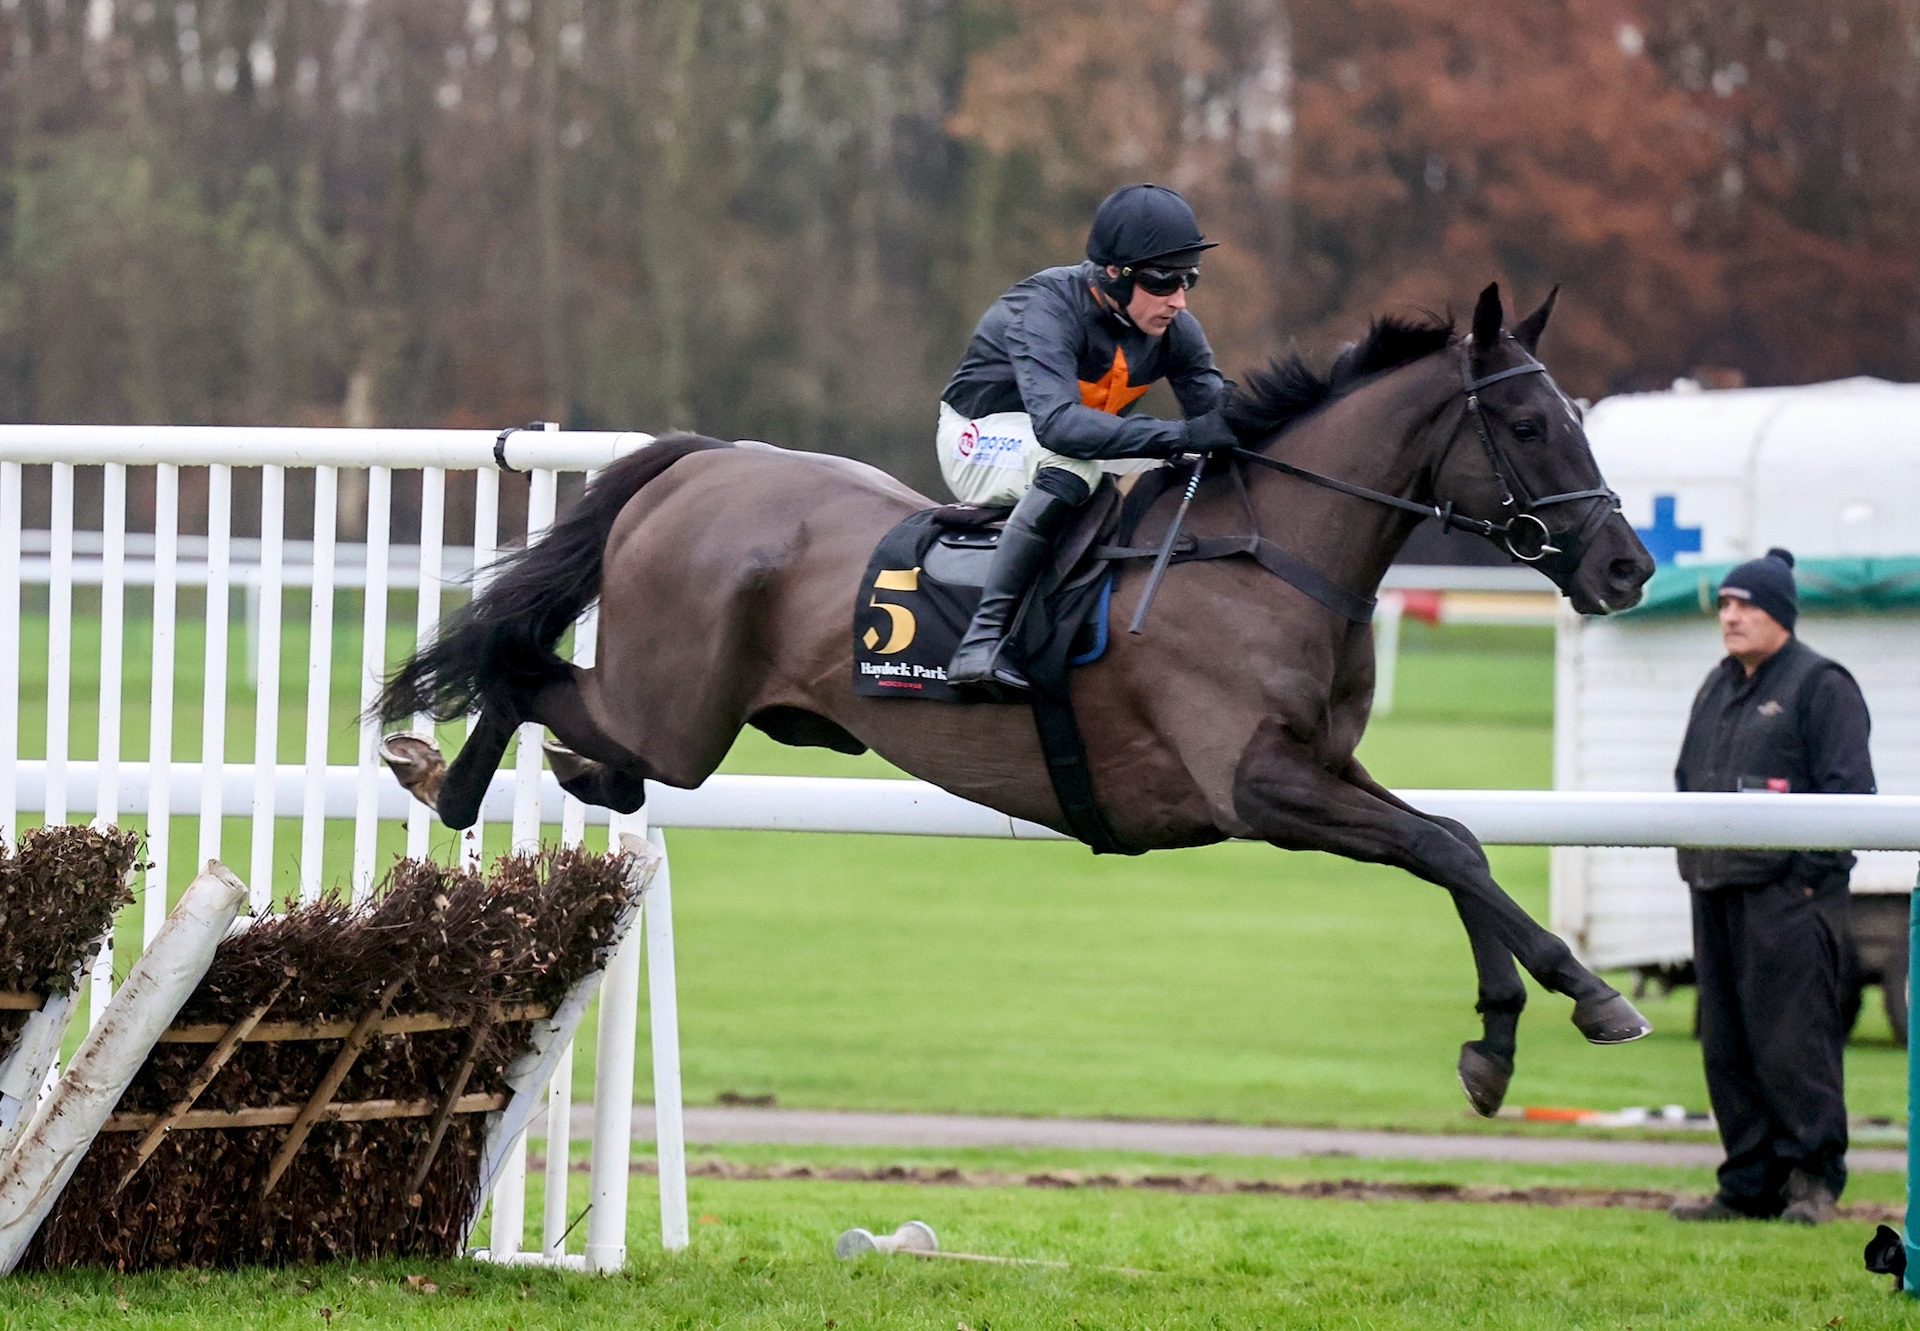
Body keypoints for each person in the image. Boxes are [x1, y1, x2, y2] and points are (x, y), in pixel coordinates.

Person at [935, 183, 1241, 695]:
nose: (1179, 300)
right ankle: (982, 641)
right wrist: (1182, 433)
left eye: (1189, 279)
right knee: (1077, 463)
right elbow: (1059, 426)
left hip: (1074, 447)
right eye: (1164, 281)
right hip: (978, 437)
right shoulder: (1044, 308)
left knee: (1189, 463)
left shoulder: (1174, 327)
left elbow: (1219, 416)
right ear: (1115, 275)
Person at [1669, 547, 1875, 1226]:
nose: (1730, 616)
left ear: (1779, 613)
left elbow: (1852, 797)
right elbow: (1687, 777)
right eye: (1724, 604)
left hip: (1790, 900)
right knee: (1726, 1046)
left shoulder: (1822, 684)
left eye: (1744, 604)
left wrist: (1811, 886)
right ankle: (1747, 1184)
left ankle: (1812, 1181)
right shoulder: (1715, 683)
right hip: (1716, 889)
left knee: (1795, 1044)